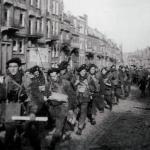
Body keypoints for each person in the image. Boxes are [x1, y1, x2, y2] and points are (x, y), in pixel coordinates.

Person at [46, 67, 74, 149]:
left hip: (63, 107)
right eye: (51, 76)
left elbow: (72, 96)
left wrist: (70, 108)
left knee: (58, 126)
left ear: (58, 75)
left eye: (54, 76)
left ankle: (52, 144)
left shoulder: (66, 83)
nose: (53, 78)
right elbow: (46, 95)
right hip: (53, 108)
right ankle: (65, 133)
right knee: (61, 124)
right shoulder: (49, 84)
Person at [4, 57, 27, 150]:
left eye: (15, 66)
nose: (12, 68)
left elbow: (32, 93)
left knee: (20, 132)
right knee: (9, 132)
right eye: (10, 66)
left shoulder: (25, 79)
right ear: (8, 68)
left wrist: (25, 95)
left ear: (19, 67)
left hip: (22, 107)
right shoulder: (6, 79)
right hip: (10, 107)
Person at [74, 64, 90, 135]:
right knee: (75, 110)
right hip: (77, 97)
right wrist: (75, 84)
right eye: (82, 71)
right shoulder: (76, 77)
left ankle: (80, 127)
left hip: (85, 97)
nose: (83, 72)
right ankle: (71, 123)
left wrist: (88, 85)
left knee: (83, 112)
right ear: (79, 72)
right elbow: (71, 87)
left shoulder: (89, 78)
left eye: (84, 71)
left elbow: (94, 87)